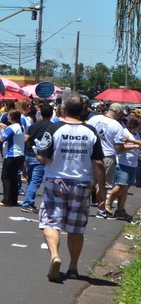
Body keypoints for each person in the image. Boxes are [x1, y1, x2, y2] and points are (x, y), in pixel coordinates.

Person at [36, 93, 103, 282]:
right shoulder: (91, 131)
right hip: (82, 182)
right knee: (76, 228)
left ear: (63, 109)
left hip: (56, 180)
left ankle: (55, 256)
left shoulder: (53, 128)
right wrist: (101, 189)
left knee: (50, 221)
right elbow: (98, 163)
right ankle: (73, 267)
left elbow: (42, 157)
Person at [87, 103, 125, 216]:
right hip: (107, 156)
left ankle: (81, 206)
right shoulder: (117, 126)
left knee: (89, 182)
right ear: (118, 112)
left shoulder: (94, 119)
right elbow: (118, 147)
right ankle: (101, 209)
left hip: (91, 154)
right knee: (102, 185)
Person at [104, 117, 141, 221]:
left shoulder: (136, 134)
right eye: (139, 126)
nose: (140, 128)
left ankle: (120, 210)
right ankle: (108, 203)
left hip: (133, 164)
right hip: (122, 162)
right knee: (121, 185)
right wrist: (135, 145)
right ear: (134, 125)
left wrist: (132, 142)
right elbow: (120, 148)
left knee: (126, 188)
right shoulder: (124, 132)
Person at [21, 104, 54, 214]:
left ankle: (28, 201)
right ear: (51, 114)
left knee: (31, 180)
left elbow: (25, 139)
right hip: (41, 156)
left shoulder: (34, 125)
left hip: (29, 155)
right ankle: (27, 203)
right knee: (35, 181)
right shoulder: (53, 127)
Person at [0, 109, 25, 207]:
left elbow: (2, 138)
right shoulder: (20, 126)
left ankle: (6, 199)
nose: (7, 117)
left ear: (11, 117)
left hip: (12, 155)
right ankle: (13, 199)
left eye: (8, 115)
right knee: (13, 178)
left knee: (6, 177)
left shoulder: (12, 127)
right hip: (20, 155)